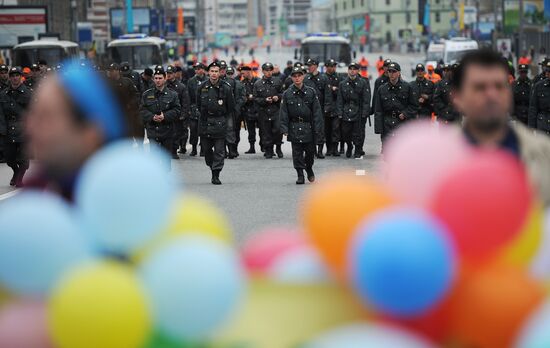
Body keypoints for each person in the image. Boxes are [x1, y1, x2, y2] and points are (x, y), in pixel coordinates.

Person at [24, 62, 137, 200]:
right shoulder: (34, 194)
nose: (30, 126)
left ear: (91, 133)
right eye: (33, 113)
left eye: (46, 116)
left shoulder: (123, 199)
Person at [454, 49, 550, 206]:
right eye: (480, 87)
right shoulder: (441, 155)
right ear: (457, 96)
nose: (491, 95)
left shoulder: (542, 152)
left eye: (499, 86)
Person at [280, 67, 323, 185]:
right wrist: (284, 128)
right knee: (297, 153)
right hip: (294, 126)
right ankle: (300, 174)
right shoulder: (287, 93)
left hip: (308, 126)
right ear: (291, 77)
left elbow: (317, 112)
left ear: (303, 76)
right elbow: (283, 112)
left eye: (299, 75)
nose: (297, 78)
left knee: (310, 152)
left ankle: (308, 168)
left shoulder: (311, 92)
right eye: (294, 76)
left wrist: (318, 128)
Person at [196, 62, 235, 185]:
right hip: (205, 122)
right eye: (212, 71)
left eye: (216, 71)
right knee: (206, 150)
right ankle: (211, 166)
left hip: (219, 122)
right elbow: (197, 104)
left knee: (219, 151)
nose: (214, 74)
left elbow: (230, 107)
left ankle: (216, 174)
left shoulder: (226, 87)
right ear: (208, 73)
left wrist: (226, 122)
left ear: (220, 73)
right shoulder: (201, 87)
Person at [139, 68, 181, 170]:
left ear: (165, 78)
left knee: (166, 160)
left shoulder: (173, 95)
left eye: (160, 78)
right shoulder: (147, 94)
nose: (158, 80)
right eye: (156, 78)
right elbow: (142, 110)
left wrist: (165, 116)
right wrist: (152, 117)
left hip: (167, 131)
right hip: (153, 131)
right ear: (153, 79)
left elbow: (177, 110)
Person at [0, 67, 32, 186]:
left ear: (20, 77)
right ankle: (16, 172)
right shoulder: (3, 94)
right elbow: (1, 113)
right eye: (12, 76)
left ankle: (19, 178)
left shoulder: (28, 93)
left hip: (23, 129)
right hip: (8, 129)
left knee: (23, 159)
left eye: (17, 75)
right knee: (9, 158)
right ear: (10, 77)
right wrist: (2, 129)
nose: (14, 78)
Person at [374, 62, 418, 148]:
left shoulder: (407, 87)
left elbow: (414, 105)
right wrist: (379, 128)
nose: (391, 74)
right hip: (387, 124)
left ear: (399, 73)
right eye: (389, 71)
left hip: (402, 123)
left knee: (401, 150)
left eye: (394, 71)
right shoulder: (382, 89)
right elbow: (378, 110)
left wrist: (405, 113)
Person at [336, 62, 371, 158]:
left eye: (354, 69)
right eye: (350, 69)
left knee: (358, 133)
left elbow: (366, 99)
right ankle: (349, 146)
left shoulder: (363, 82)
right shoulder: (342, 84)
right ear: (348, 71)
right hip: (346, 111)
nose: (352, 71)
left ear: (358, 71)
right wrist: (339, 113)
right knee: (345, 133)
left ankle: (357, 149)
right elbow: (340, 100)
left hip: (358, 111)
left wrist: (364, 113)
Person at [106, 63, 142, 147]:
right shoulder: (108, 84)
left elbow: (136, 95)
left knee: (136, 136)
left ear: (118, 71)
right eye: (110, 71)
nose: (112, 72)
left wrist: (130, 104)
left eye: (114, 70)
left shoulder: (127, 81)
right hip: (116, 115)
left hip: (130, 114)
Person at [253, 62, 284, 159]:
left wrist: (277, 97)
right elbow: (255, 98)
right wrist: (264, 100)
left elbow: (283, 94)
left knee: (278, 130)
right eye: (266, 70)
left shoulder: (278, 81)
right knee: (266, 132)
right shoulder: (257, 84)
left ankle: (278, 147)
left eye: (270, 70)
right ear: (263, 71)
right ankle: (269, 150)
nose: (269, 72)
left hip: (275, 110)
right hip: (264, 111)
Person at [304, 58, 328, 158]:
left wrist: (327, 107)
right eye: (308, 65)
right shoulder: (305, 79)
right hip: (309, 108)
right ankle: (312, 150)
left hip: (320, 108)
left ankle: (320, 150)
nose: (309, 67)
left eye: (311, 65)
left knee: (320, 130)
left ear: (316, 66)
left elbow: (327, 94)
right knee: (310, 130)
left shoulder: (323, 78)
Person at [166, 65, 190, 158]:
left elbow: (185, 102)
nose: (169, 75)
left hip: (177, 115)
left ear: (174, 74)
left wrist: (183, 114)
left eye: (171, 73)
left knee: (176, 134)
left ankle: (174, 151)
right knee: (166, 134)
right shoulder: (163, 85)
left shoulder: (181, 87)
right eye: (167, 73)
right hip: (166, 114)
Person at [187, 62, 207, 157]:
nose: (197, 70)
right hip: (194, 108)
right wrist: (189, 108)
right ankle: (194, 148)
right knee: (193, 130)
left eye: (199, 68)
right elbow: (188, 96)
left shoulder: (208, 80)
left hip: (204, 108)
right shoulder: (191, 81)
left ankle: (203, 149)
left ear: (203, 69)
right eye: (196, 69)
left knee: (203, 130)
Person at [323, 59, 342, 156]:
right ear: (326, 67)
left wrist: (336, 89)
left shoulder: (339, 77)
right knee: (327, 129)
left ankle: (335, 148)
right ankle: (329, 148)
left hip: (335, 107)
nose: (333, 67)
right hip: (326, 108)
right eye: (331, 66)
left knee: (336, 129)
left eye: (334, 66)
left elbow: (342, 91)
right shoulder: (323, 78)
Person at [240, 65, 260, 153]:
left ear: (249, 72)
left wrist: (253, 97)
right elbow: (242, 96)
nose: (242, 75)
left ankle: (264, 145)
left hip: (259, 109)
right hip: (248, 109)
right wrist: (247, 98)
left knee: (263, 130)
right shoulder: (242, 83)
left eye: (243, 73)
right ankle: (252, 147)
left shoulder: (258, 81)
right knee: (251, 130)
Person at [528, 60, 550, 135]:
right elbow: (533, 107)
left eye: (549, 71)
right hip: (542, 124)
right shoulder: (539, 86)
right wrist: (531, 127)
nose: (547, 73)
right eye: (547, 71)